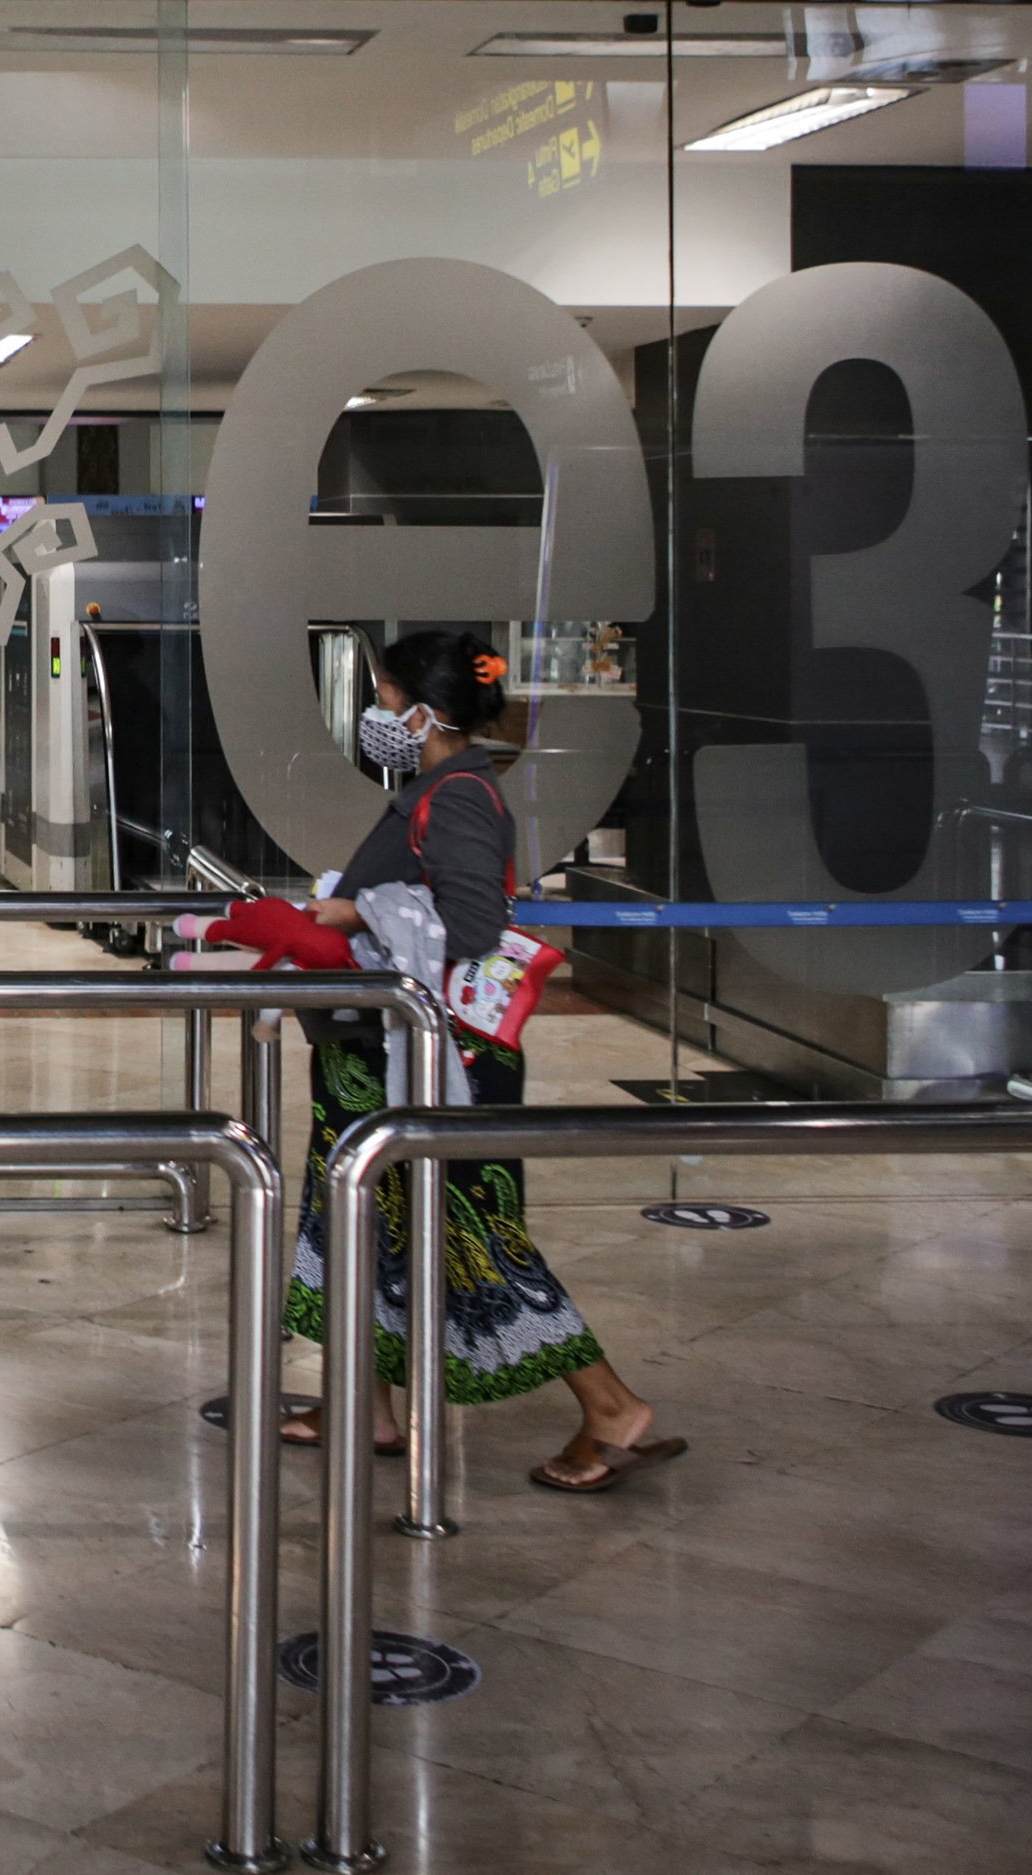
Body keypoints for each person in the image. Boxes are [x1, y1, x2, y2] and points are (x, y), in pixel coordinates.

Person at [282, 628, 678, 1494]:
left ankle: (612, 1407)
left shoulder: (457, 794)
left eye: (386, 696)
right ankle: (367, 1404)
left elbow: (467, 927)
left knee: (474, 1235)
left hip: (434, 1058)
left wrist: (349, 910)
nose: (378, 711)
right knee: (367, 1222)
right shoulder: (441, 784)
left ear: (425, 710)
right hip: (378, 1053)